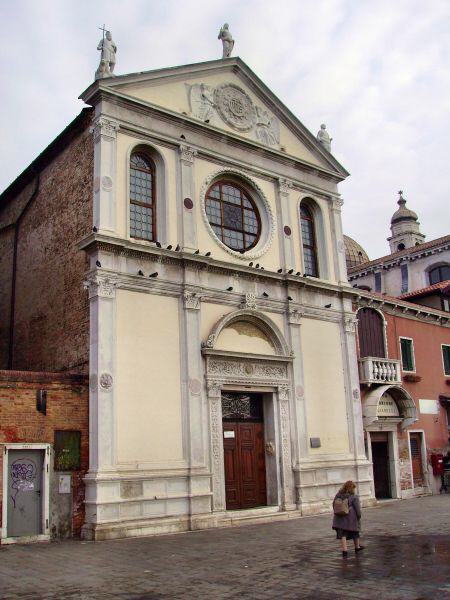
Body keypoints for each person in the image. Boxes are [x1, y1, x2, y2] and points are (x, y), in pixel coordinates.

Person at [332, 480, 364, 558]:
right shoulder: (354, 496)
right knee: (355, 531)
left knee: (343, 534)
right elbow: (358, 509)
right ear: (352, 488)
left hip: (339, 517)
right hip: (351, 518)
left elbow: (333, 504)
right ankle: (357, 547)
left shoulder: (338, 494)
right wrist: (359, 516)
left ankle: (345, 550)